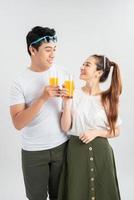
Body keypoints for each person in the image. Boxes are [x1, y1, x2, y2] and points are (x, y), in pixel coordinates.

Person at [9, 26, 69, 200]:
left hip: (62, 147)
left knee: (62, 195)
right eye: (47, 50)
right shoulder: (19, 83)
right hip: (33, 152)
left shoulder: (64, 74)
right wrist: (42, 98)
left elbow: (70, 111)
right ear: (32, 50)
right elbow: (18, 123)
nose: (53, 54)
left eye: (55, 49)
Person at [58, 54, 122, 200]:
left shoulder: (109, 98)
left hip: (102, 154)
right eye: (83, 64)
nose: (82, 67)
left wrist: (96, 132)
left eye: (87, 64)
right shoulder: (72, 92)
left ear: (98, 73)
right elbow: (65, 127)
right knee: (76, 190)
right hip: (75, 152)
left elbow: (116, 130)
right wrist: (67, 102)